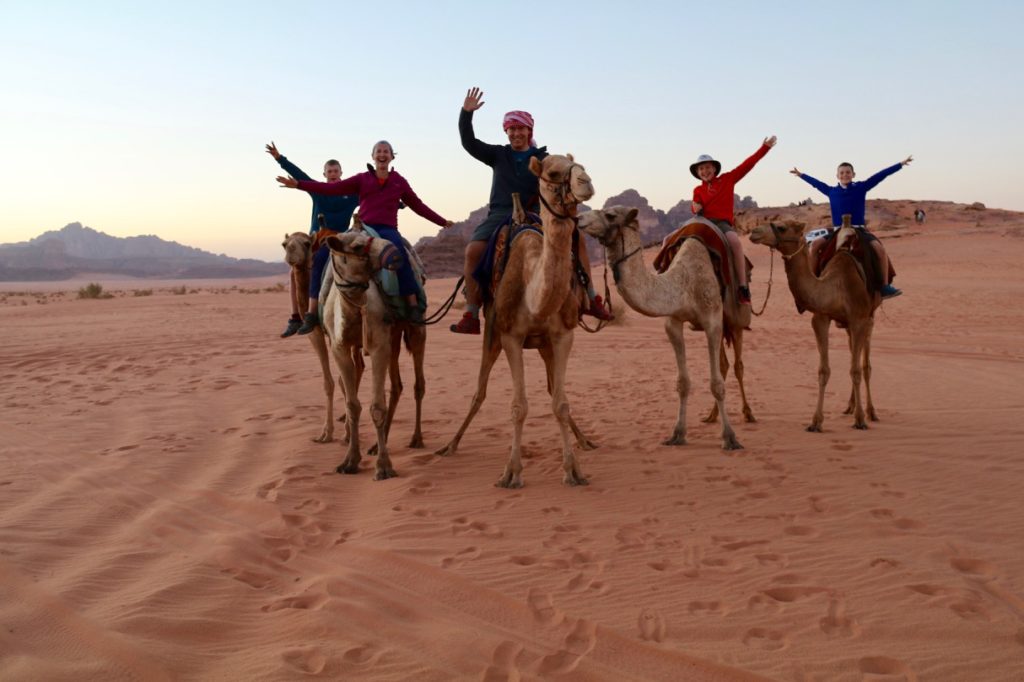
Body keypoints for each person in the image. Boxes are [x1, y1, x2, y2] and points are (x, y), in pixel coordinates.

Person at [451, 86, 611, 335]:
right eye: (511, 129)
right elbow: (468, 143)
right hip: (500, 214)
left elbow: (563, 174)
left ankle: (592, 297)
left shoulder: (543, 157)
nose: (516, 133)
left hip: (536, 213)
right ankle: (472, 312)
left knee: (575, 238)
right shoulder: (497, 154)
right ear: (507, 131)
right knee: (473, 250)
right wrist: (466, 113)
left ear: (529, 131)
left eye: (520, 128)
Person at [277, 141, 452, 323]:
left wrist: (441, 221)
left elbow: (418, 206)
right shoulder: (362, 179)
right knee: (332, 258)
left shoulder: (399, 182)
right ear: (373, 156)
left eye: (386, 151)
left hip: (387, 230)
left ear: (392, 156)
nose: (382, 154)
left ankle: (413, 305)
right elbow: (330, 188)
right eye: (379, 151)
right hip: (362, 229)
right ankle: (313, 311)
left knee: (399, 253)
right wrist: (299, 185)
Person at [266, 142, 359, 336]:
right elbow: (300, 176)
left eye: (336, 171)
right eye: (329, 171)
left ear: (341, 173)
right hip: (315, 240)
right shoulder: (318, 190)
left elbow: (372, 197)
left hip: (339, 240)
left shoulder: (351, 195)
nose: (333, 174)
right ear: (324, 174)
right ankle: (295, 317)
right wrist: (279, 158)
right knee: (295, 272)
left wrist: (397, 204)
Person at [790, 156, 913, 298]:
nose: (845, 175)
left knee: (879, 249)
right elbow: (816, 183)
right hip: (837, 231)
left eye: (848, 172)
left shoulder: (861, 187)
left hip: (858, 230)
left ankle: (884, 286)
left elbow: (880, 175)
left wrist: (900, 165)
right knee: (814, 246)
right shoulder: (831, 191)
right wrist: (801, 175)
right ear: (837, 176)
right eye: (842, 173)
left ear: (853, 175)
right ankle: (812, 284)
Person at [689, 136, 777, 304]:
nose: (704, 171)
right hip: (703, 223)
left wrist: (764, 148)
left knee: (735, 242)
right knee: (674, 241)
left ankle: (742, 287)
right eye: (701, 169)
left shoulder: (727, 179)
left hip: (721, 224)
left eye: (707, 167)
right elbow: (695, 207)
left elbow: (748, 164)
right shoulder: (697, 189)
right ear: (697, 173)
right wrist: (695, 207)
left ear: (714, 169)